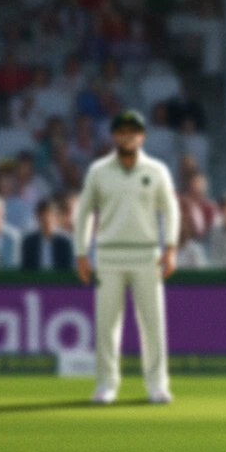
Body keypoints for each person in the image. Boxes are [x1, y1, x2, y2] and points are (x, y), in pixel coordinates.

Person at [73, 111, 179, 405]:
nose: (128, 136)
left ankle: (157, 385)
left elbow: (170, 210)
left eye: (134, 131)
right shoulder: (98, 171)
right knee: (107, 323)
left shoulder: (156, 170)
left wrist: (170, 247)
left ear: (142, 136)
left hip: (146, 254)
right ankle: (106, 384)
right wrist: (81, 252)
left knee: (152, 323)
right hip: (109, 254)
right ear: (114, 135)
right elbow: (84, 213)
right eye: (122, 131)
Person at [21, 197, 74, 271]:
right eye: (43, 217)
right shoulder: (29, 243)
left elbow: (69, 270)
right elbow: (25, 270)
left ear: (55, 217)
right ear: (37, 218)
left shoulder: (65, 242)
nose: (46, 220)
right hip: (35, 281)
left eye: (49, 216)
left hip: (59, 281)